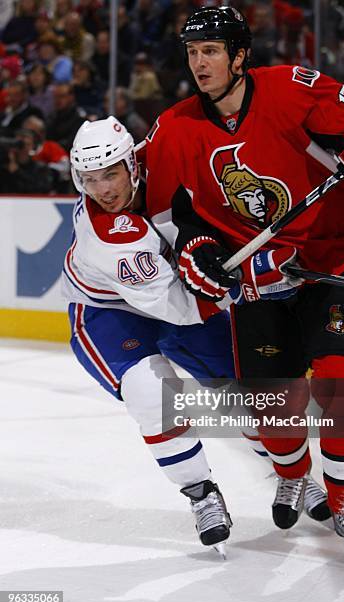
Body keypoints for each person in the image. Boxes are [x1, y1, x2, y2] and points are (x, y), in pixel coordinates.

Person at [145, 6, 344, 564]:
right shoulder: (174, 127)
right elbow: (167, 218)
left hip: (331, 263)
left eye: (211, 50)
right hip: (258, 282)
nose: (199, 63)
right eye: (192, 53)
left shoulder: (293, 87)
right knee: (274, 409)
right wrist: (197, 250)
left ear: (240, 55)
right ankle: (291, 474)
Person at [62, 116, 329, 557]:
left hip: (173, 294)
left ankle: (294, 471)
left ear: (132, 163)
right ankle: (201, 492)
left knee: (247, 393)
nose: (103, 189)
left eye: (110, 174)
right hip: (109, 315)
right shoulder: (107, 237)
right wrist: (247, 279)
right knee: (152, 393)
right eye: (89, 180)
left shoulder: (155, 162)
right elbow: (179, 308)